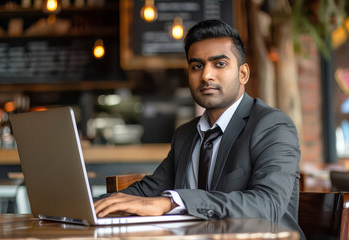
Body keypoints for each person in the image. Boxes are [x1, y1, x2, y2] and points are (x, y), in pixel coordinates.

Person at [94, 19, 304, 238]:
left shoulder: (272, 126)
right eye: (197, 66)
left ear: (243, 74)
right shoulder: (185, 135)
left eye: (220, 64)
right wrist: (86, 207)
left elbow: (267, 206)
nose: (206, 75)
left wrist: (173, 202)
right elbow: (147, 191)